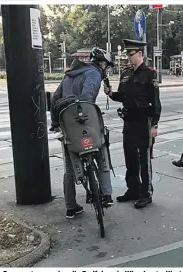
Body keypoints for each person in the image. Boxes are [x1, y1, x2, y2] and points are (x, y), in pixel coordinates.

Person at [50, 47, 115, 219]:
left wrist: (56, 122)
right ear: (102, 63)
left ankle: (71, 206)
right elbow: (86, 98)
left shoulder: (70, 74)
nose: (107, 70)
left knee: (70, 167)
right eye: (107, 66)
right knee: (101, 149)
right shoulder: (93, 73)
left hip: (67, 125)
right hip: (84, 121)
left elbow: (55, 99)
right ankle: (107, 194)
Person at [105, 39, 161, 209]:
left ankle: (146, 193)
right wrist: (111, 93)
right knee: (130, 158)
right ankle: (133, 189)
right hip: (128, 121)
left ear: (140, 54)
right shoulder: (126, 73)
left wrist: (155, 125)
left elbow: (156, 102)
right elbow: (122, 95)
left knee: (144, 160)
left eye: (131, 54)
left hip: (144, 121)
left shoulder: (150, 73)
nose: (128, 58)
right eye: (127, 55)